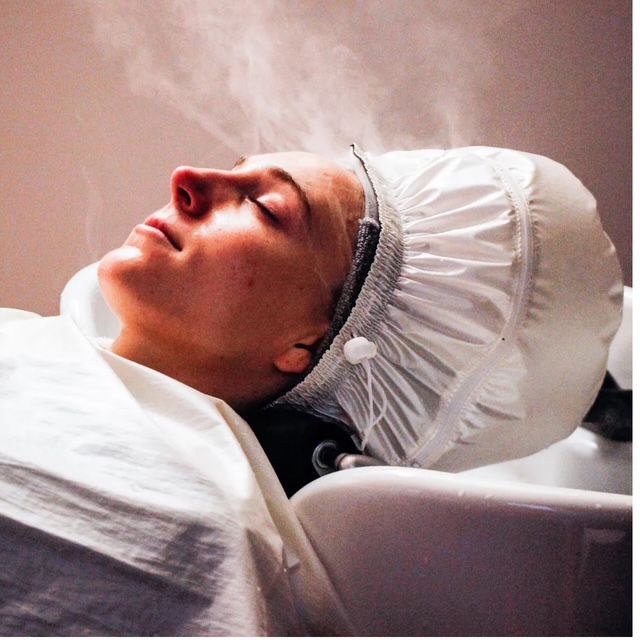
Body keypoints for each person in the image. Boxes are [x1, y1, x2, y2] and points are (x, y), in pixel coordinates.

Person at [0, 144, 623, 635]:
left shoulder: (183, 539)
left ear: (308, 348)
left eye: (267, 209)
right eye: (239, 170)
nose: (186, 176)